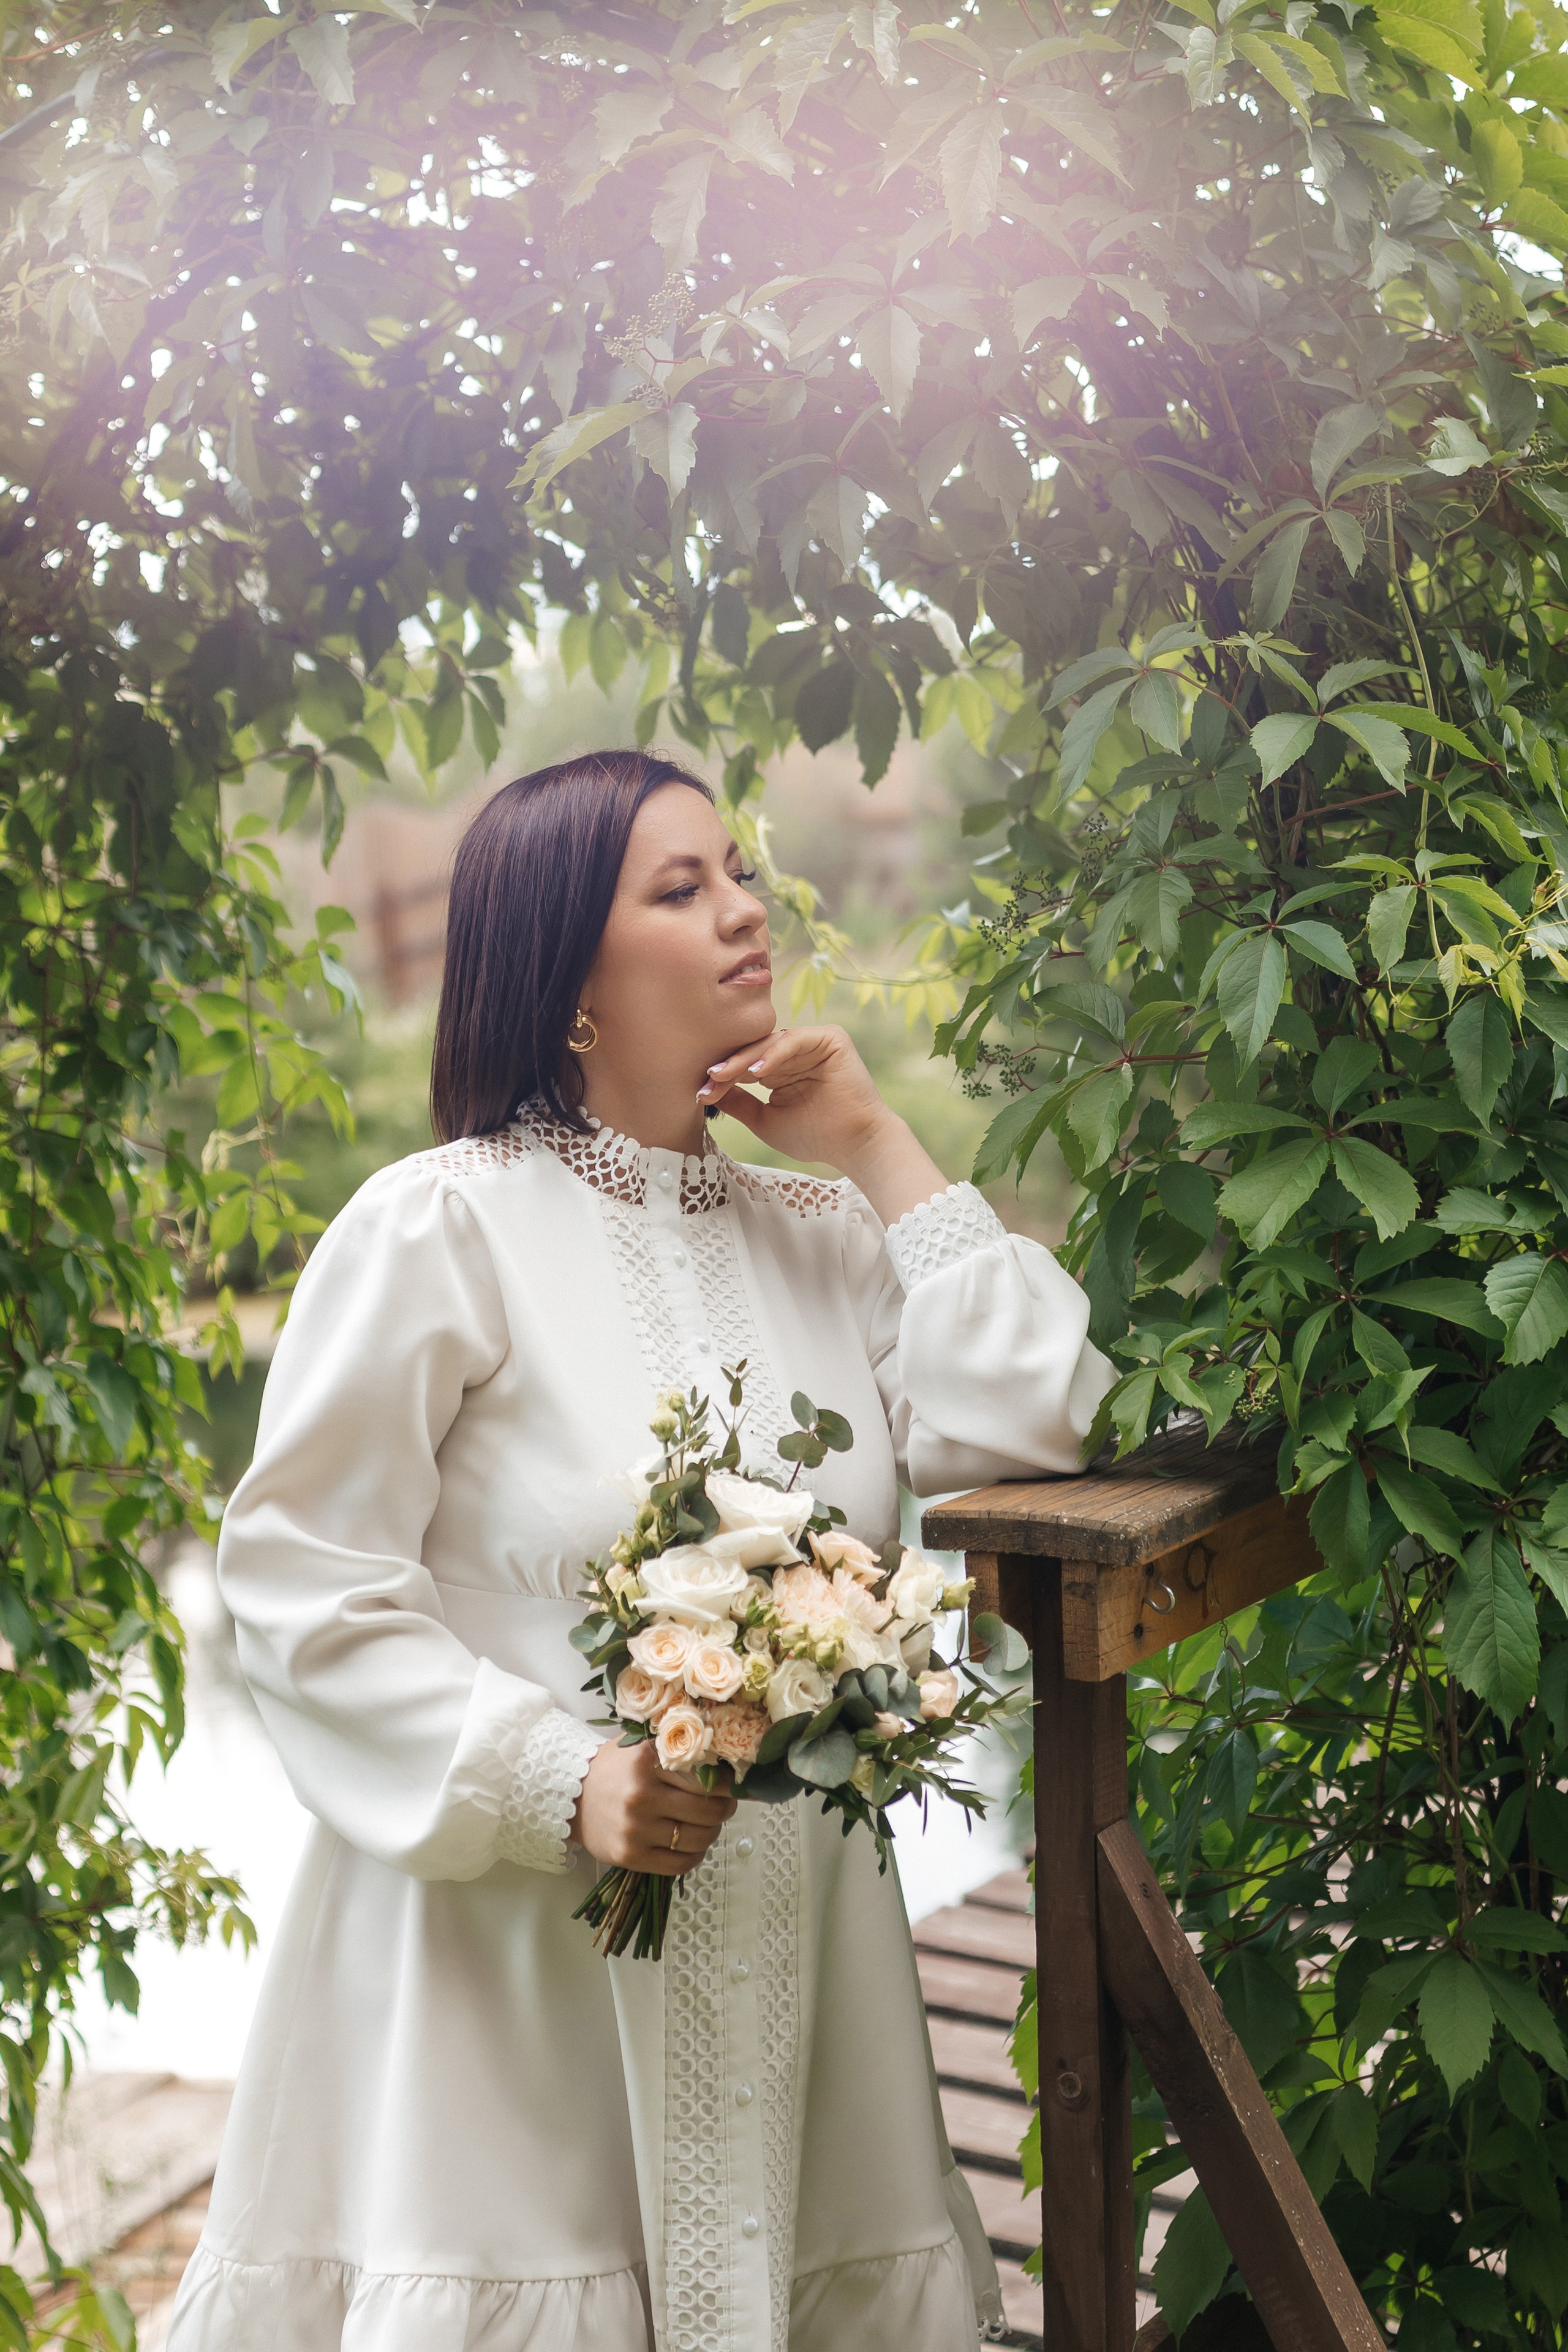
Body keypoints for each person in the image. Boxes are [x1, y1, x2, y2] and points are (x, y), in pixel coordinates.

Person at [167, 750, 1113, 2352]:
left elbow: (1044, 1418)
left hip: (806, 1963)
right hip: (511, 1974)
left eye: (737, 872)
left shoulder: (825, 1238)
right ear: (569, 983)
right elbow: (298, 1583)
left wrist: (878, 1142)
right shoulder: (435, 1230)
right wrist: (556, 1779)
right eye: (681, 889)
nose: (747, 912)